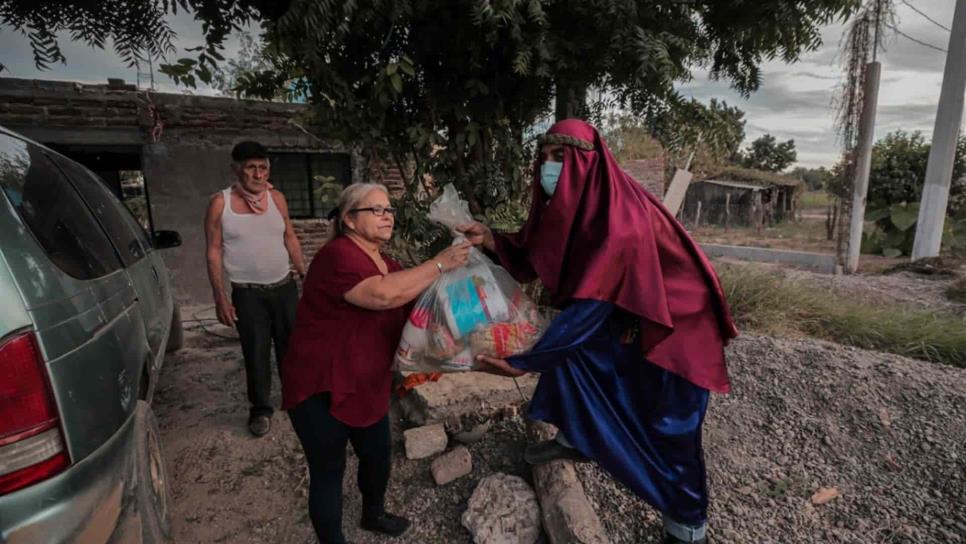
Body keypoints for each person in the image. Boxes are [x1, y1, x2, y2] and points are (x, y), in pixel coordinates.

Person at [460, 119, 739, 544]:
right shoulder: (573, 206)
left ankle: (688, 526)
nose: (549, 168)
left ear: (590, 163)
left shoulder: (621, 220)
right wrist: (491, 240)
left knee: (671, 425)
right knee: (576, 361)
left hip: (677, 325)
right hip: (630, 311)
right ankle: (578, 438)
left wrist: (524, 362)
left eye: (561, 158)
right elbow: (540, 250)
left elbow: (591, 305)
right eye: (545, 159)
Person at [281, 183, 471, 544]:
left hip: (366, 382)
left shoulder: (389, 263)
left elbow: (414, 305)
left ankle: (373, 513)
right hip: (321, 385)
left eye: (389, 210)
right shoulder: (337, 256)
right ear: (350, 220)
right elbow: (383, 295)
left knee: (377, 455)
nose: (387, 216)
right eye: (377, 210)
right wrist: (442, 262)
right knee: (328, 469)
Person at [204, 141, 307, 437]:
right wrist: (220, 296)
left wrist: (304, 273)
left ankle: (294, 398)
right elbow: (213, 251)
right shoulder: (220, 204)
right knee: (256, 351)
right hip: (247, 294)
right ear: (236, 168)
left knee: (291, 348)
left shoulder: (277, 198)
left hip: (284, 287)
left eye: (263, 167)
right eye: (251, 167)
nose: (258, 174)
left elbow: (290, 237)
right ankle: (261, 409)